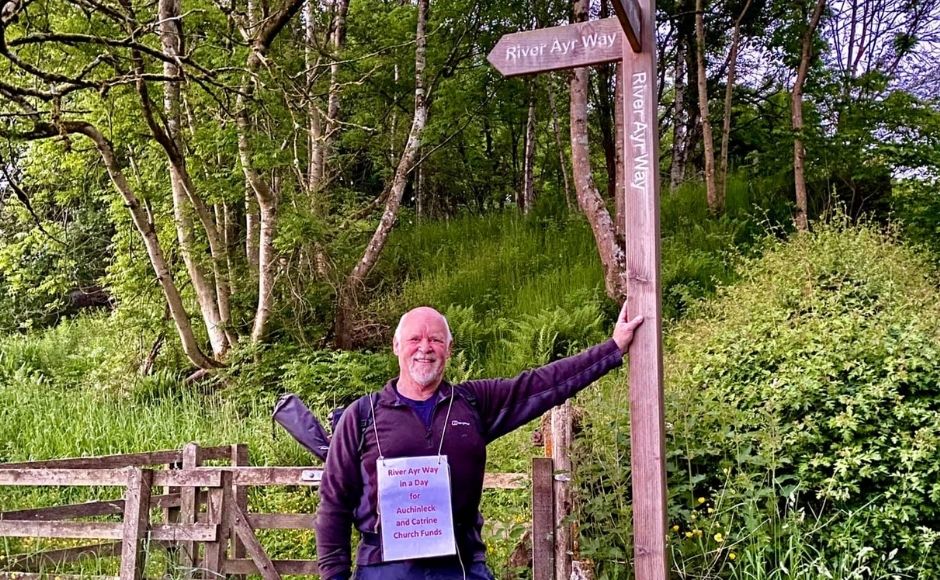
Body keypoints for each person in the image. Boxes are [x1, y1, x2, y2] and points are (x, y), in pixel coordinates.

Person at [316, 304, 644, 580]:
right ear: (396, 346)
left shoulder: (473, 403)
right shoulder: (362, 416)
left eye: (436, 339)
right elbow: (333, 505)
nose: (425, 348)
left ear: (449, 347)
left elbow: (541, 385)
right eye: (415, 338)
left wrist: (612, 348)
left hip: (459, 565)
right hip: (384, 568)